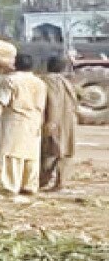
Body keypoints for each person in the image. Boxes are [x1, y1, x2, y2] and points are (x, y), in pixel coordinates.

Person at [0, 53, 47, 195]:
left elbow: (3, 99)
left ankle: (11, 185)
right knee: (31, 154)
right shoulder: (40, 82)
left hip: (15, 119)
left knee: (12, 154)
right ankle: (29, 185)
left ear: (15, 64)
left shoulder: (11, 80)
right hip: (34, 119)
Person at [40, 56, 78, 190]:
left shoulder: (48, 81)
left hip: (54, 121)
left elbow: (53, 102)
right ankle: (60, 182)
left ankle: (43, 181)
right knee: (65, 152)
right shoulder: (67, 82)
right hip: (69, 122)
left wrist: (51, 122)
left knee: (49, 152)